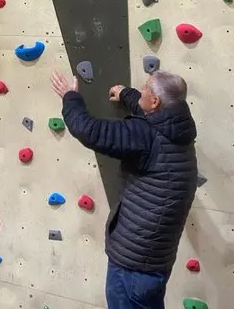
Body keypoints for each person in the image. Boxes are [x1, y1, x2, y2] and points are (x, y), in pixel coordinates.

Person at [50, 70, 198, 309]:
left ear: (155, 101)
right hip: (155, 261)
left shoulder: (146, 136)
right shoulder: (178, 129)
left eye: (145, 88)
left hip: (133, 266)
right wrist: (126, 94)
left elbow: (90, 130)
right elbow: (150, 114)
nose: (141, 90)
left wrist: (70, 97)